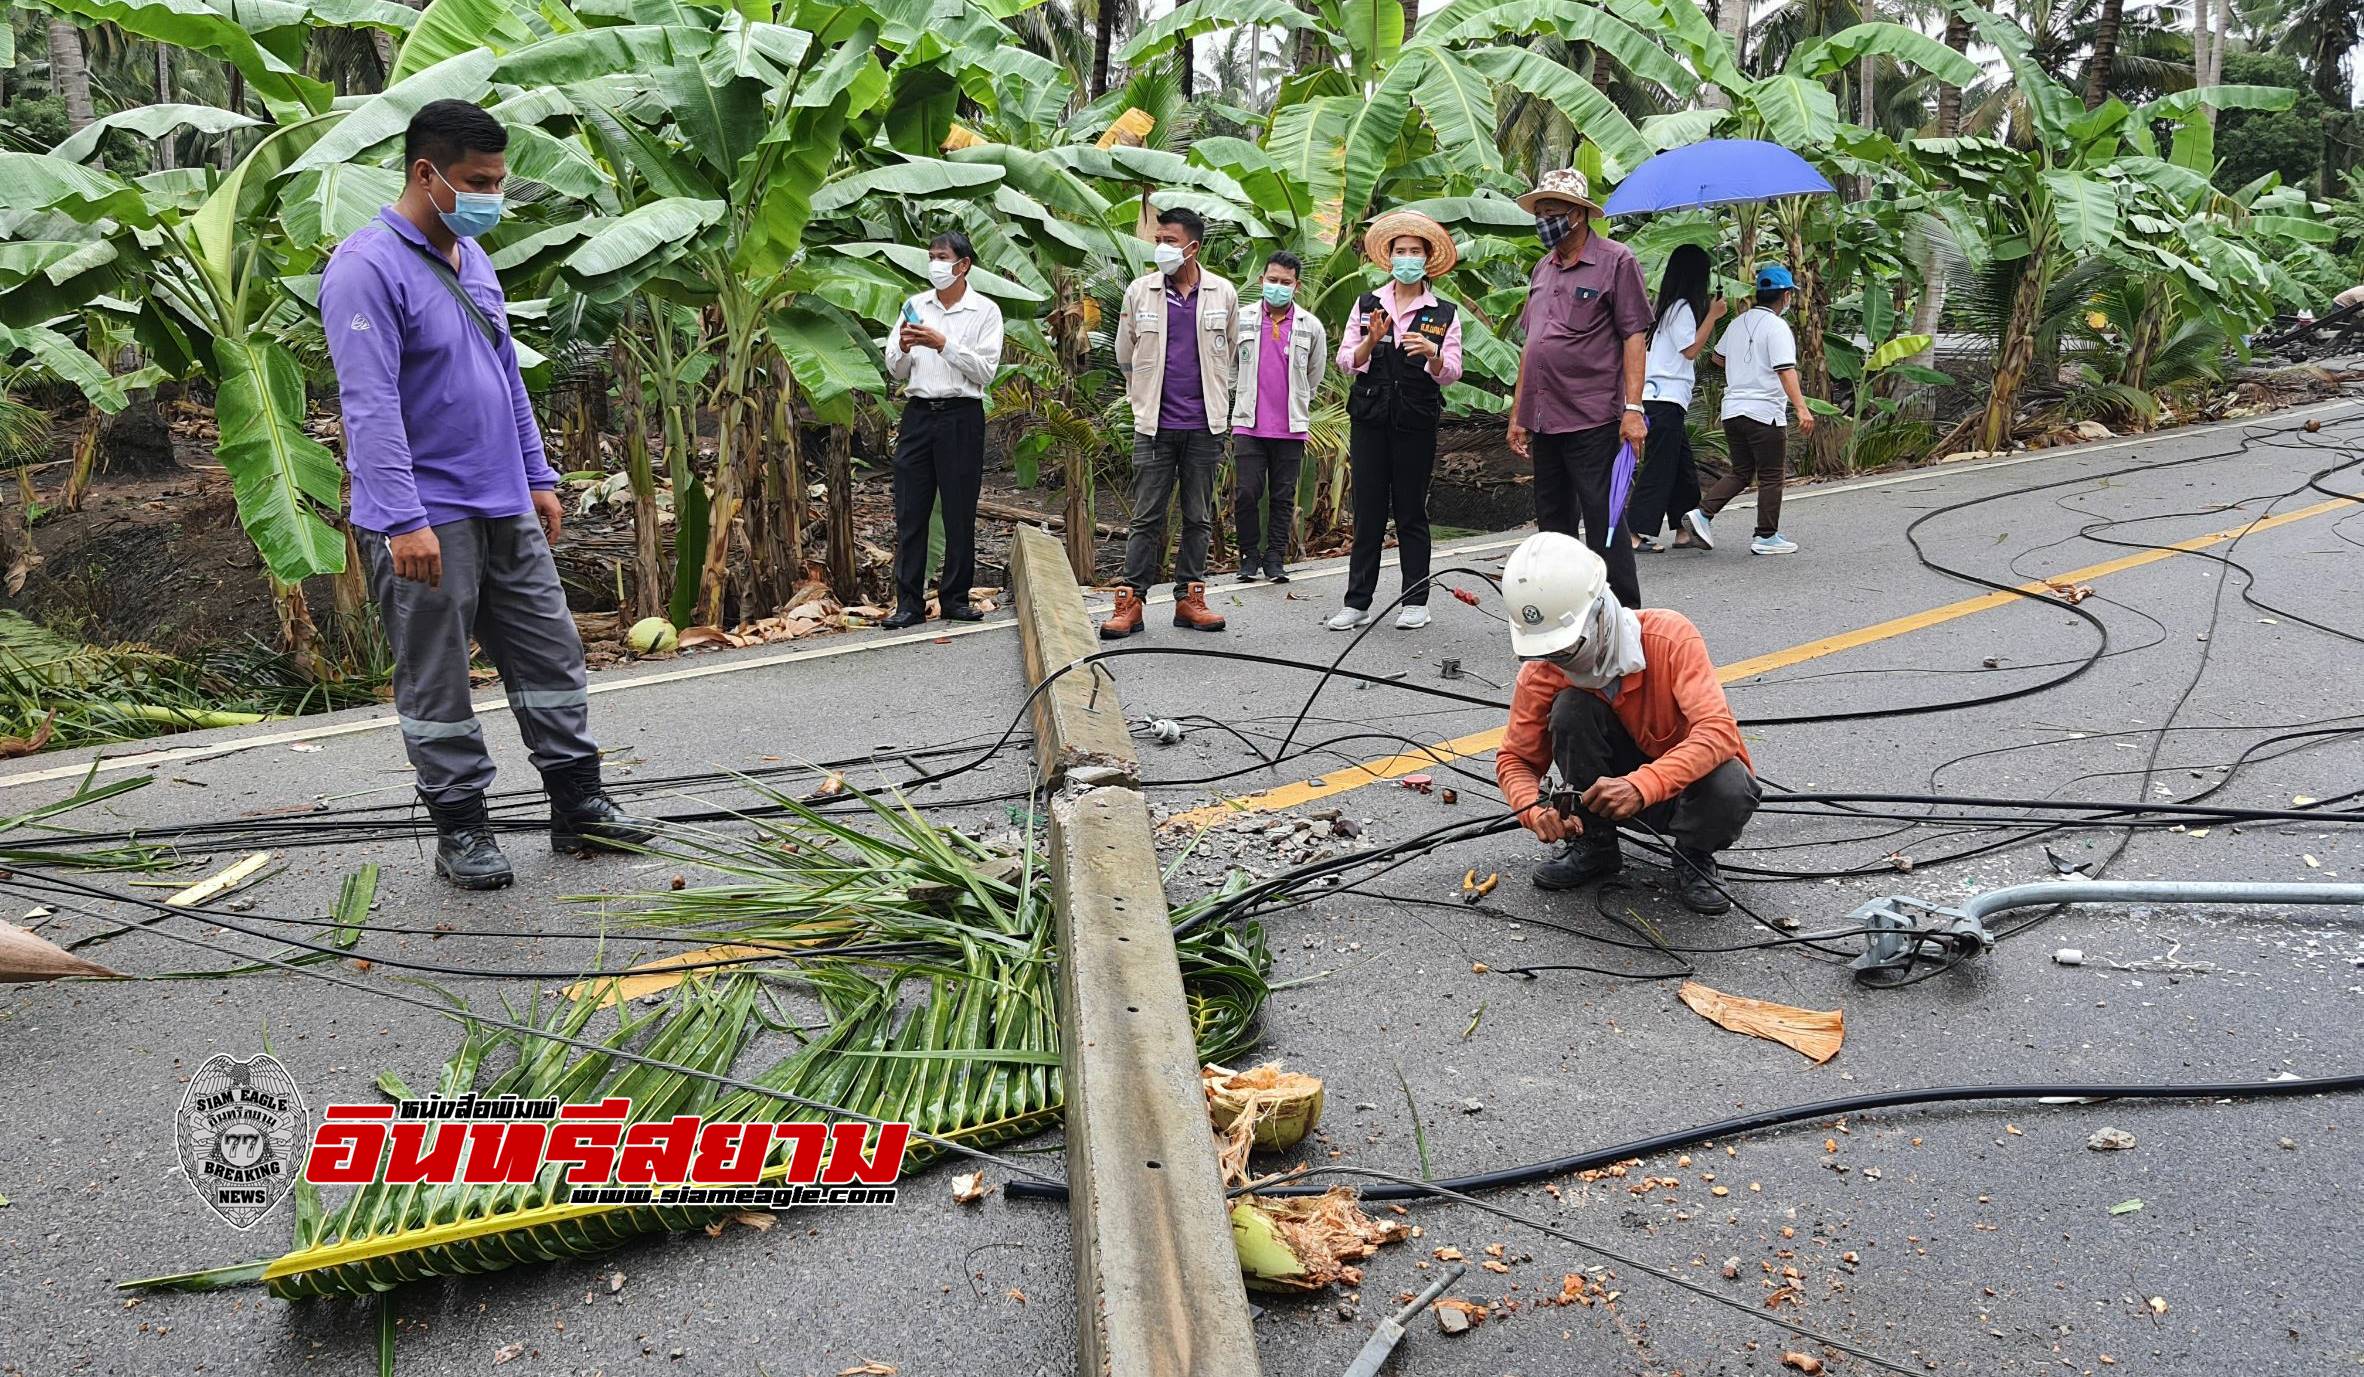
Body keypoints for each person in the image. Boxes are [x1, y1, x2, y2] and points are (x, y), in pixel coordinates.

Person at [320, 100, 652, 891]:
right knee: (436, 676)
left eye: (499, 182)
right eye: (477, 182)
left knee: (550, 654)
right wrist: (403, 518)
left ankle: (578, 804)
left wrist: (538, 477)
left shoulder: (474, 258)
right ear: (424, 173)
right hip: (426, 515)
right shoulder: (367, 266)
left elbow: (506, 377)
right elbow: (368, 405)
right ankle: (460, 826)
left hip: (503, 501)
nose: (491, 198)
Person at [1492, 532, 1758, 915]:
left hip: (1684, 796)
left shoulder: (1669, 636)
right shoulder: (1543, 671)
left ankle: (1694, 854)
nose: (1559, 661)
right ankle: (1595, 845)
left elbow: (1717, 733)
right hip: (1604, 798)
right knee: (1571, 708)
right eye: (1548, 652)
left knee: (1730, 782)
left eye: (1566, 648)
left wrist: (1641, 785)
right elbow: (1515, 759)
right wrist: (1534, 810)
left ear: (1600, 613)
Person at [1507, 168, 1652, 610]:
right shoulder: (1542, 268)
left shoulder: (1615, 260)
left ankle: (1624, 615)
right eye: (1542, 211)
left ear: (1578, 215)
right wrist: (1518, 413)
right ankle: (1562, 613)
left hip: (1592, 415)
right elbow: (1533, 346)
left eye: (1554, 211)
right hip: (1545, 417)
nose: (1545, 219)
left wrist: (1633, 409)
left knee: (1603, 518)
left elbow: (1633, 336)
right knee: (1553, 526)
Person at [1102, 207, 1238, 639]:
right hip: (1155, 425)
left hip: (1205, 425)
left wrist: (1216, 398)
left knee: (1197, 516)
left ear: (1193, 247)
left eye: (1170, 241)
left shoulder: (1223, 294)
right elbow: (1125, 355)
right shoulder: (1140, 293)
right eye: (1158, 239)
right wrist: (1143, 396)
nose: (1161, 248)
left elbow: (1231, 356)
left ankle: (1190, 599)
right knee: (1146, 517)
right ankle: (1130, 603)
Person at [1328, 211, 1465, 631]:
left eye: (1414, 252)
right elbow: (1346, 361)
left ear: (1427, 259)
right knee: (1368, 510)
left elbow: (1453, 371)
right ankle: (1357, 602)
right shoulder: (1368, 304)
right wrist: (1370, 340)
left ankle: (1415, 600)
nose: (1407, 258)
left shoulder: (1443, 312)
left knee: (1410, 510)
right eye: (1400, 251)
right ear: (1388, 258)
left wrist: (1433, 353)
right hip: (1369, 417)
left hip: (1416, 421)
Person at [881, 230, 1005, 629]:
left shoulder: (984, 311)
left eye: (942, 256)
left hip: (961, 415)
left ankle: (954, 597)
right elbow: (896, 368)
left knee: (958, 509)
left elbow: (985, 370)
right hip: (918, 412)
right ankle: (908, 604)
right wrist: (902, 345)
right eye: (931, 256)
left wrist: (942, 343)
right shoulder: (915, 305)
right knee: (910, 510)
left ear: (963, 264)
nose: (934, 263)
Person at [1698, 265, 1817, 556]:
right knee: (1772, 474)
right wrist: (1802, 408)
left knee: (1741, 471)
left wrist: (1745, 368)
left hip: (1733, 410)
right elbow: (1785, 369)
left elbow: (1717, 358)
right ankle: (1766, 536)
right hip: (1764, 412)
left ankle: (1701, 514)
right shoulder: (1777, 327)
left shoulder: (1739, 322)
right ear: (1786, 296)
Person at [1229, 250, 1327, 585]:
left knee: (1283, 497)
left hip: (1290, 426)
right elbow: (1229, 367)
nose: (1278, 287)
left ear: (1296, 286)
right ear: (1261, 281)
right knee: (1246, 493)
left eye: (1285, 282)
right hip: (1248, 422)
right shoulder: (1241, 319)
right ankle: (1248, 557)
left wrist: (1297, 401)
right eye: (1272, 280)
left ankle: (1274, 560)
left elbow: (1314, 375)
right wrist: (1237, 393)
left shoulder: (1310, 326)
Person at [1625, 244, 1725, 553]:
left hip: (1660, 398)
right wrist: (1713, 315)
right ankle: (1634, 532)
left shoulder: (1663, 307)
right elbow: (1691, 350)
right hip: (1665, 399)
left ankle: (1684, 528)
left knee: (1681, 466)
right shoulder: (1682, 308)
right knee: (1660, 467)